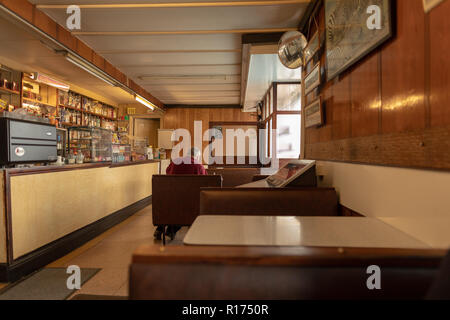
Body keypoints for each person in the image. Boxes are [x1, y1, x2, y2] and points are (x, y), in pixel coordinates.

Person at [154, 147, 207, 241]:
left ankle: (160, 228)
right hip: (187, 199)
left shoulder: (175, 161)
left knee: (172, 205)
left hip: (170, 196)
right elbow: (205, 180)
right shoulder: (198, 166)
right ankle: (171, 230)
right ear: (197, 156)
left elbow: (167, 172)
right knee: (187, 206)